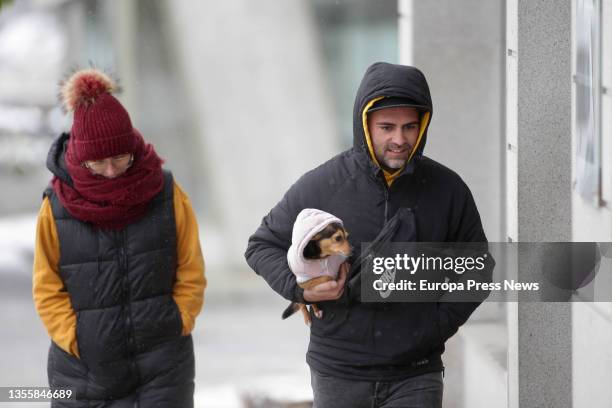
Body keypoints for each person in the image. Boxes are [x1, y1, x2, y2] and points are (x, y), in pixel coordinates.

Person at [245, 62, 490, 408]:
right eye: (387, 127)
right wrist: (301, 288)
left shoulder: (448, 189)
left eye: (409, 127)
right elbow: (261, 245)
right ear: (365, 125)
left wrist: (435, 326)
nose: (399, 139)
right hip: (338, 373)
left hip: (416, 375)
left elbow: (477, 268)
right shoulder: (323, 184)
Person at [32, 68, 206, 407]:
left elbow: (191, 267)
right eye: (98, 163)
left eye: (120, 159)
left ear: (134, 149)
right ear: (81, 158)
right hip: (83, 374)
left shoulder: (167, 192)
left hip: (164, 369)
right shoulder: (55, 208)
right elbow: (46, 287)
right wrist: (77, 339)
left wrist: (179, 318)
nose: (111, 171)